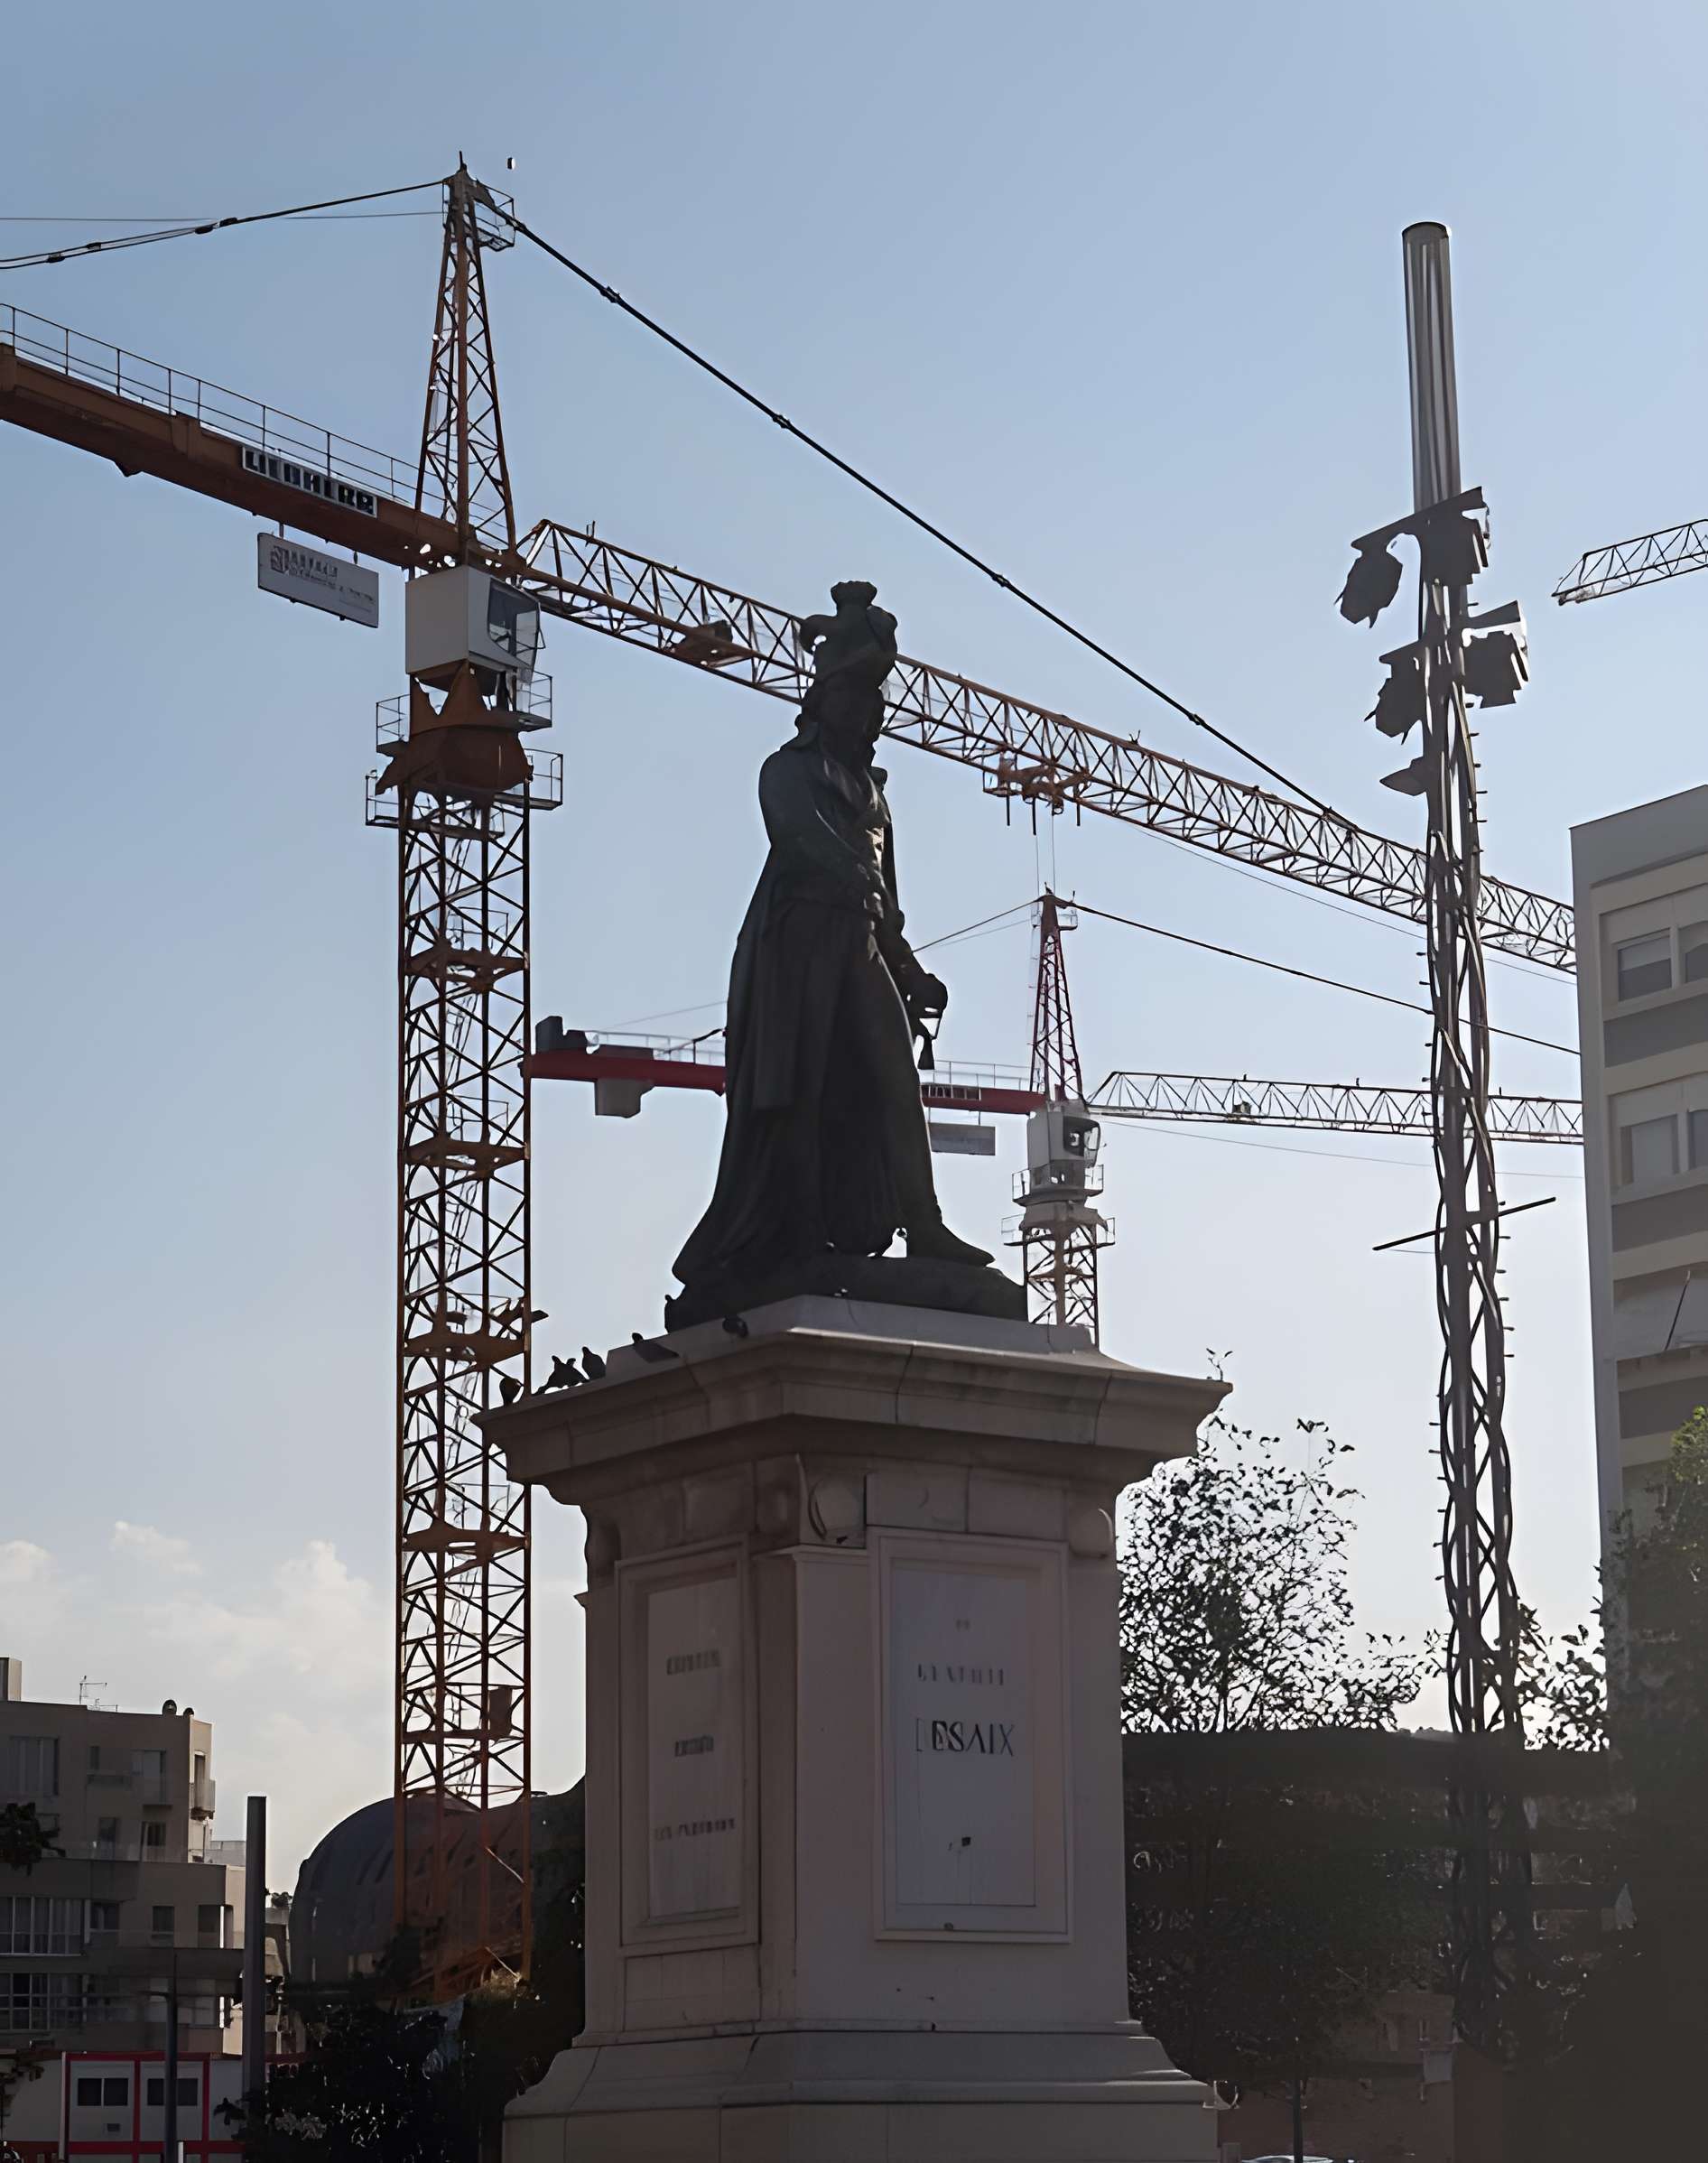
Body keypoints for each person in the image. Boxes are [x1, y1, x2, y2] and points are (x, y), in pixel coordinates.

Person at [672, 581, 992, 1311]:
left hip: (861, 945)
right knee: (802, 1088)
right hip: (799, 946)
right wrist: (860, 883)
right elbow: (802, 841)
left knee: (894, 1081)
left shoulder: (876, 797)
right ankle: (798, 1227)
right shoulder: (786, 771)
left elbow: (889, 900)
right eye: (855, 699)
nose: (869, 715)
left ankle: (926, 1224)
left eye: (875, 704)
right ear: (822, 703)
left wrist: (910, 969)